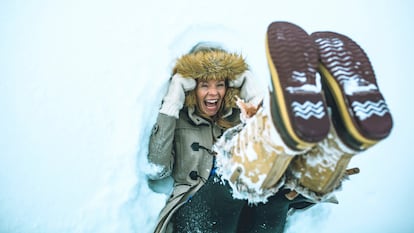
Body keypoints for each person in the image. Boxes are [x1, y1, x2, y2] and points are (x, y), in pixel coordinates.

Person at [146, 21, 393, 233]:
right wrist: (173, 98)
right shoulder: (180, 121)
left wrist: (249, 86)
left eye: (220, 84)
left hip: (247, 219)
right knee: (232, 178)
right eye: (204, 84)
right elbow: (157, 168)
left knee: (280, 192)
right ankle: (301, 148)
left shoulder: (239, 117)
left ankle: (324, 156)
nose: (213, 92)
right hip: (197, 216)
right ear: (191, 88)